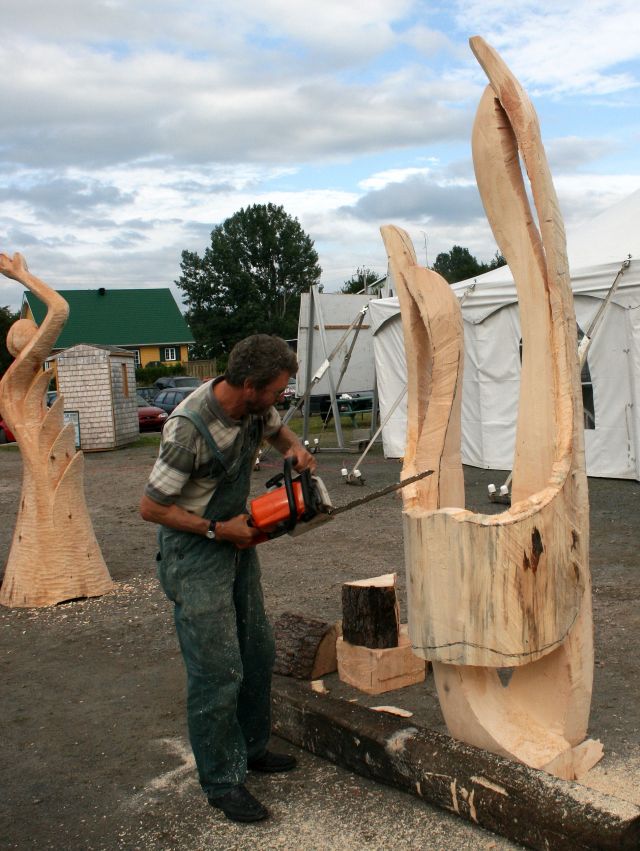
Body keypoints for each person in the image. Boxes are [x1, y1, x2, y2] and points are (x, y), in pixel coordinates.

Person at [140, 334, 316, 823]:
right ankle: (221, 780)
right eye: (277, 389)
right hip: (195, 551)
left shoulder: (257, 408)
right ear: (251, 385)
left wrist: (296, 448)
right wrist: (218, 528)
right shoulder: (188, 428)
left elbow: (280, 432)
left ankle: (252, 748)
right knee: (217, 669)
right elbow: (151, 506)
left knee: (258, 651)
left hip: (236, 542)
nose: (280, 398)